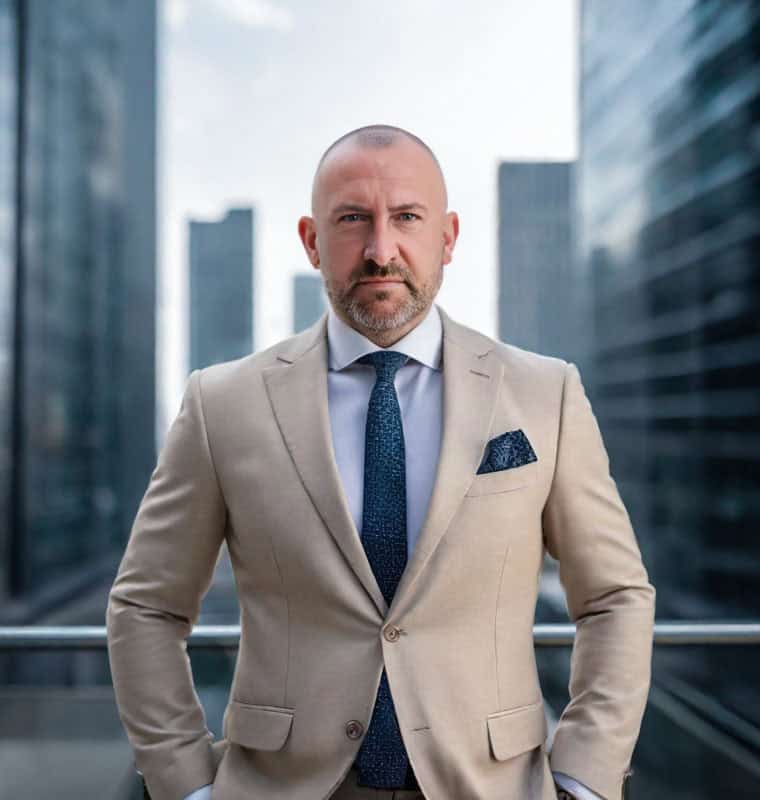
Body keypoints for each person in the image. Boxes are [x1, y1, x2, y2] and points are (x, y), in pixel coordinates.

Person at [106, 124, 655, 800]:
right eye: (352, 220)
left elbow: (614, 596)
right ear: (312, 240)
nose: (380, 249)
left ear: (448, 237)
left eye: (407, 218)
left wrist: (586, 775)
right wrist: (185, 782)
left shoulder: (546, 394)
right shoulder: (222, 404)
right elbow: (146, 606)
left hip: (492, 785)